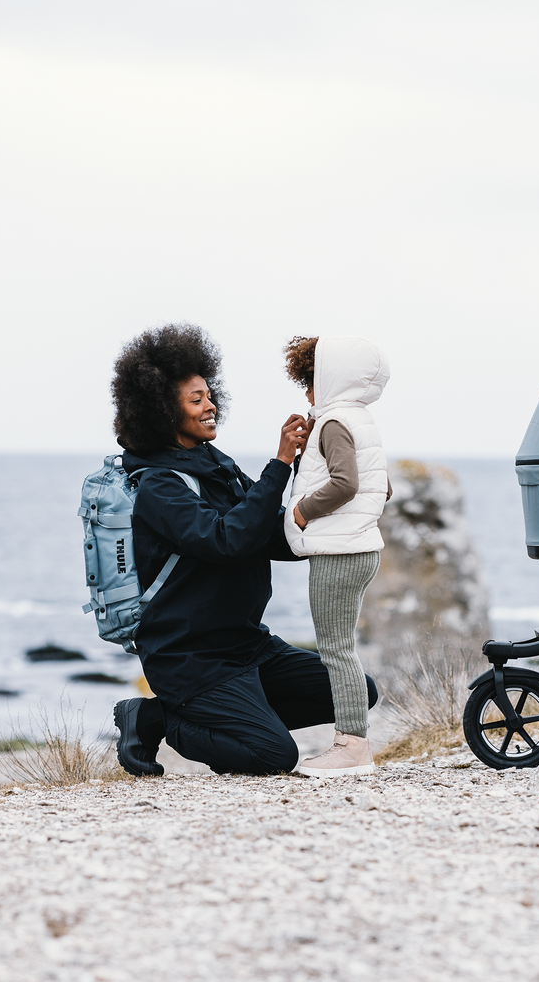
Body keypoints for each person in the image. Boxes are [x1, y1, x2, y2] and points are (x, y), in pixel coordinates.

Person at [110, 323, 378, 777]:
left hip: (248, 645)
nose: (210, 405)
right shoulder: (157, 486)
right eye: (196, 400)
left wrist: (325, 509)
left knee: (357, 691)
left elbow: (268, 536)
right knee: (273, 756)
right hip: (193, 658)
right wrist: (278, 464)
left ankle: (243, 715)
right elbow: (226, 540)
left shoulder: (215, 464)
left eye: (209, 395)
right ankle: (158, 718)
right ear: (159, 411)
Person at [283, 335, 390, 776]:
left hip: (339, 552)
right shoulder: (358, 420)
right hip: (360, 547)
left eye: (309, 380)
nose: (306, 391)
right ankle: (352, 743)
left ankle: (351, 746)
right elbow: (381, 487)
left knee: (336, 649)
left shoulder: (333, 424)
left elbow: (346, 484)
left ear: (327, 380)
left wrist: (303, 512)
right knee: (340, 647)